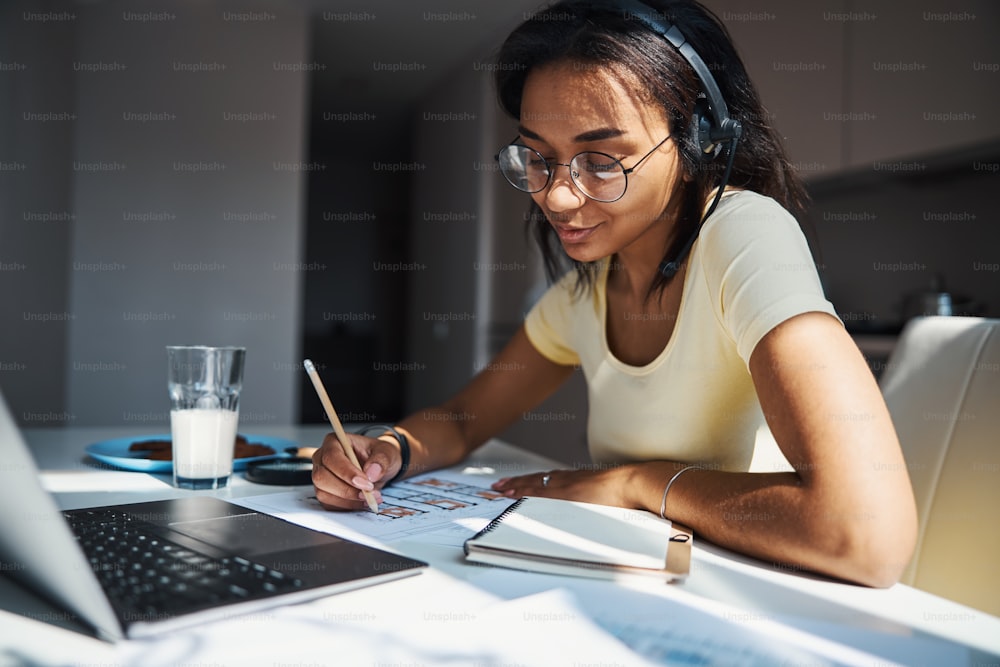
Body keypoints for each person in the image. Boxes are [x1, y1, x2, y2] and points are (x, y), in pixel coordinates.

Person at [312, 0, 918, 588]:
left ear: (697, 143)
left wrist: (637, 484)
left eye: (601, 160)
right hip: (642, 584)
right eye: (539, 159)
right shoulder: (587, 293)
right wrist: (387, 451)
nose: (556, 197)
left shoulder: (743, 232)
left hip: (761, 602)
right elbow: (463, 421)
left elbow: (863, 535)